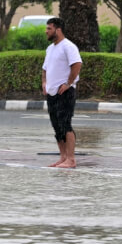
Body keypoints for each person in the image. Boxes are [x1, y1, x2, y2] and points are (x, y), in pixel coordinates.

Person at [41, 17, 82, 168]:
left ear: (58, 30)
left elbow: (77, 64)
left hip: (65, 92)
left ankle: (71, 159)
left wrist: (68, 83)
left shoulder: (68, 46)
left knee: (65, 124)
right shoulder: (50, 48)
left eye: (49, 29)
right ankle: (63, 157)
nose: (46, 32)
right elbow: (45, 69)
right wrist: (44, 83)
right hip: (52, 93)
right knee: (56, 126)